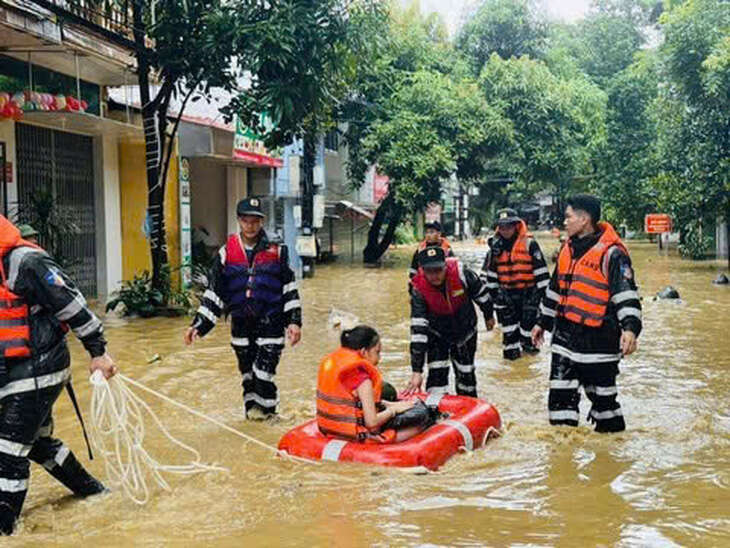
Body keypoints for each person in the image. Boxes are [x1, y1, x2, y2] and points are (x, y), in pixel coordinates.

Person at [0, 215, 116, 535]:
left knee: (7, 450)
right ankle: (93, 492)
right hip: (9, 370)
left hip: (40, 366)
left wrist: (98, 352)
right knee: (36, 443)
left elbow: (72, 305)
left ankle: (5, 531)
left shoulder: (27, 262)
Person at [531, 194, 642, 433]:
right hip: (565, 339)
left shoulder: (613, 254)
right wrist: (542, 322)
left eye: (568, 217)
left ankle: (610, 458)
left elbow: (626, 294)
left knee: (605, 408)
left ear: (584, 219)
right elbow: (555, 289)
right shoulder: (566, 250)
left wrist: (630, 329)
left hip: (599, 341)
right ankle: (562, 463)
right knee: (559, 407)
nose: (564, 222)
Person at [185, 197, 302, 420]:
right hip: (241, 326)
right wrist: (198, 325)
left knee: (263, 374)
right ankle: (252, 418)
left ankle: (269, 416)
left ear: (262, 222)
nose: (251, 226)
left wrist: (294, 321)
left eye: (255, 221)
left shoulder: (278, 251)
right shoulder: (226, 253)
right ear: (239, 221)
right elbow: (215, 293)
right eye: (246, 221)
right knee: (248, 376)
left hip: (271, 324)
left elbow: (289, 289)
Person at [316, 325, 434, 443]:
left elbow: (349, 401)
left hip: (328, 428)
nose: (379, 358)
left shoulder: (332, 363)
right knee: (422, 413)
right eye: (377, 352)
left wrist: (389, 404)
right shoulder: (362, 380)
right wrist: (393, 411)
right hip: (356, 434)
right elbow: (371, 423)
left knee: (389, 396)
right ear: (363, 352)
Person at [405, 247, 492, 397]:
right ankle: (435, 409)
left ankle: (468, 404)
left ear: (445, 266)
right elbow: (418, 332)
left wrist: (489, 315)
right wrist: (417, 371)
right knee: (436, 376)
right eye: (429, 271)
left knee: (466, 375)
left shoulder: (462, 274)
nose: (435, 276)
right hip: (437, 333)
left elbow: (482, 295)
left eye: (438, 270)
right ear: (422, 270)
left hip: (465, 330)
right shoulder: (418, 290)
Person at [480, 208, 550, 360]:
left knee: (528, 338)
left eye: (509, 226)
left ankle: (528, 371)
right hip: (506, 298)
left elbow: (543, 279)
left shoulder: (530, 244)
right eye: (502, 227)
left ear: (516, 226)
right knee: (509, 341)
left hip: (529, 296)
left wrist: (541, 304)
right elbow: (491, 280)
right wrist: (496, 301)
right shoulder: (494, 250)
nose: (505, 230)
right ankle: (512, 373)